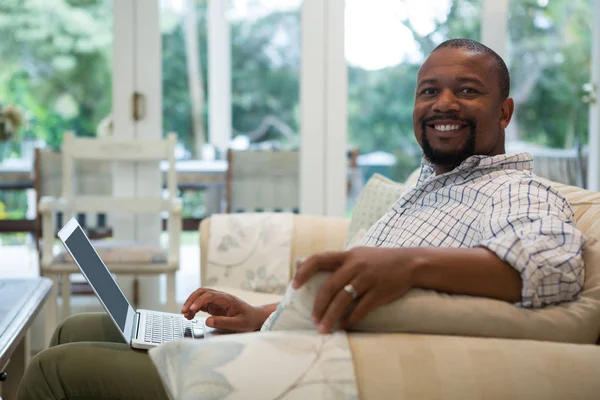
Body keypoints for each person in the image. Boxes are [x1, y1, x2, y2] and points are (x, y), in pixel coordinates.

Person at [17, 38, 586, 400]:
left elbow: (547, 268)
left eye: (468, 90)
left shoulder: (516, 189)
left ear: (505, 110)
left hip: (300, 369)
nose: (443, 104)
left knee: (56, 369)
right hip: (279, 336)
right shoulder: (428, 187)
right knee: (78, 328)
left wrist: (405, 266)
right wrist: (259, 314)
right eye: (428, 90)